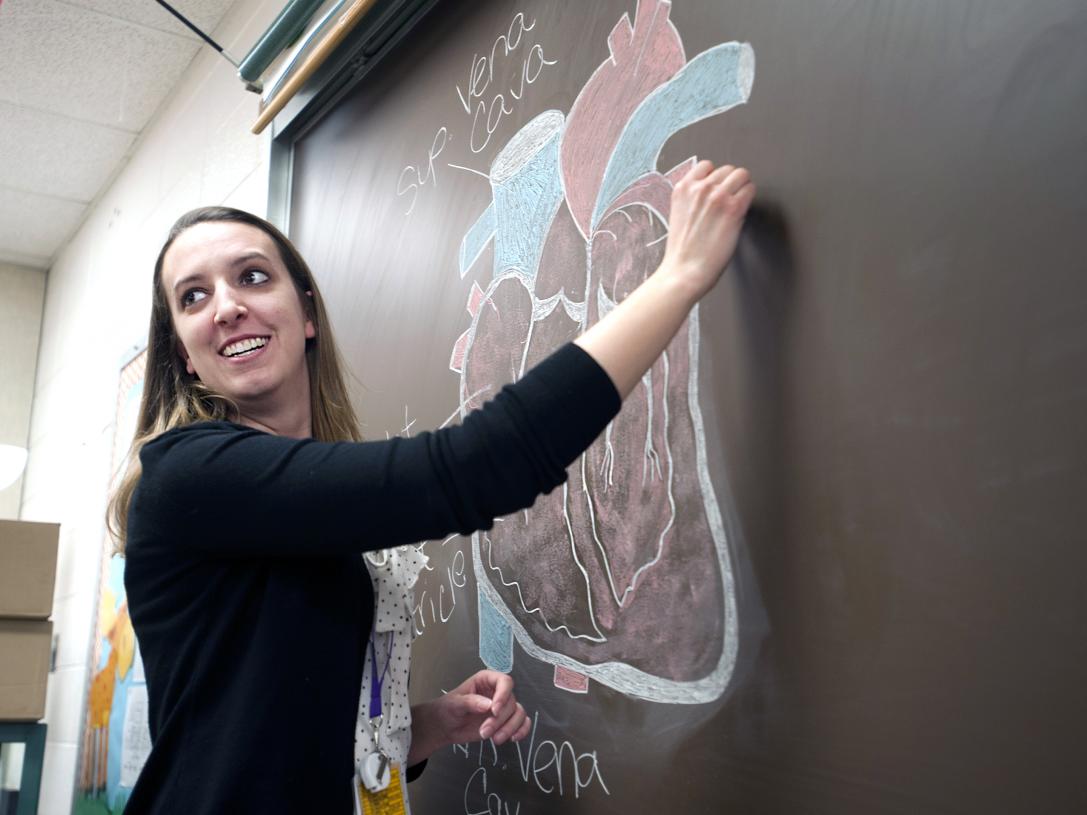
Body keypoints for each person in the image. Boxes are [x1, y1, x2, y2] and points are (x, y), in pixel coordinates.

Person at [106, 160, 754, 812]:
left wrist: (426, 726)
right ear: (185, 355)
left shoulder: (297, 511)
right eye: (192, 296)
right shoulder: (189, 473)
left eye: (251, 276)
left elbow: (268, 731)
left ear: (307, 313)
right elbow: (474, 468)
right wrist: (676, 279)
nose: (226, 306)